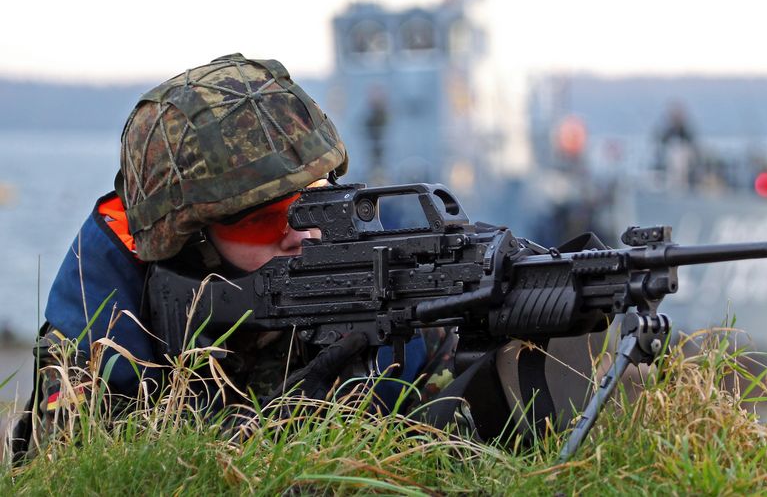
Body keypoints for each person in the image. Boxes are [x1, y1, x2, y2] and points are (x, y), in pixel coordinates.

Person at [6, 54, 603, 463]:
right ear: (188, 242)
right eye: (266, 217)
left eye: (315, 202)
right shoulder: (108, 323)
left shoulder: (360, 278)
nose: (303, 234)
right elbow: (70, 467)